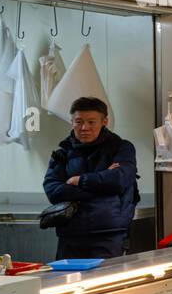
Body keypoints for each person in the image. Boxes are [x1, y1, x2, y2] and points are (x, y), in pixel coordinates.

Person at [42, 97, 139, 260]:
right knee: (66, 284)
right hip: (70, 235)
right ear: (71, 122)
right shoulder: (62, 152)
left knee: (106, 283)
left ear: (104, 122)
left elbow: (119, 180)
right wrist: (102, 185)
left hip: (109, 235)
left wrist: (79, 180)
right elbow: (53, 192)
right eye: (78, 122)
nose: (84, 128)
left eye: (91, 122)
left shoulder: (121, 147)